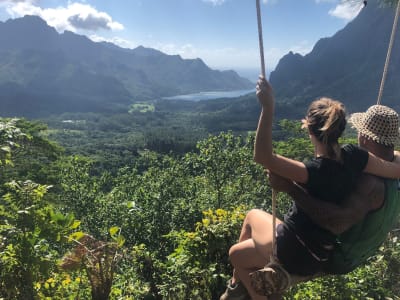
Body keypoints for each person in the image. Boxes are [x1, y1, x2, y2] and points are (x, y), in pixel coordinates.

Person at [220, 77, 400, 300]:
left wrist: (268, 107)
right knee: (237, 255)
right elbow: (394, 168)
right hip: (318, 252)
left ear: (309, 129)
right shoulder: (357, 157)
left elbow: (263, 156)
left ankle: (253, 293)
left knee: (251, 215)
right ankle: (240, 288)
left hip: (294, 250)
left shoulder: (311, 171)